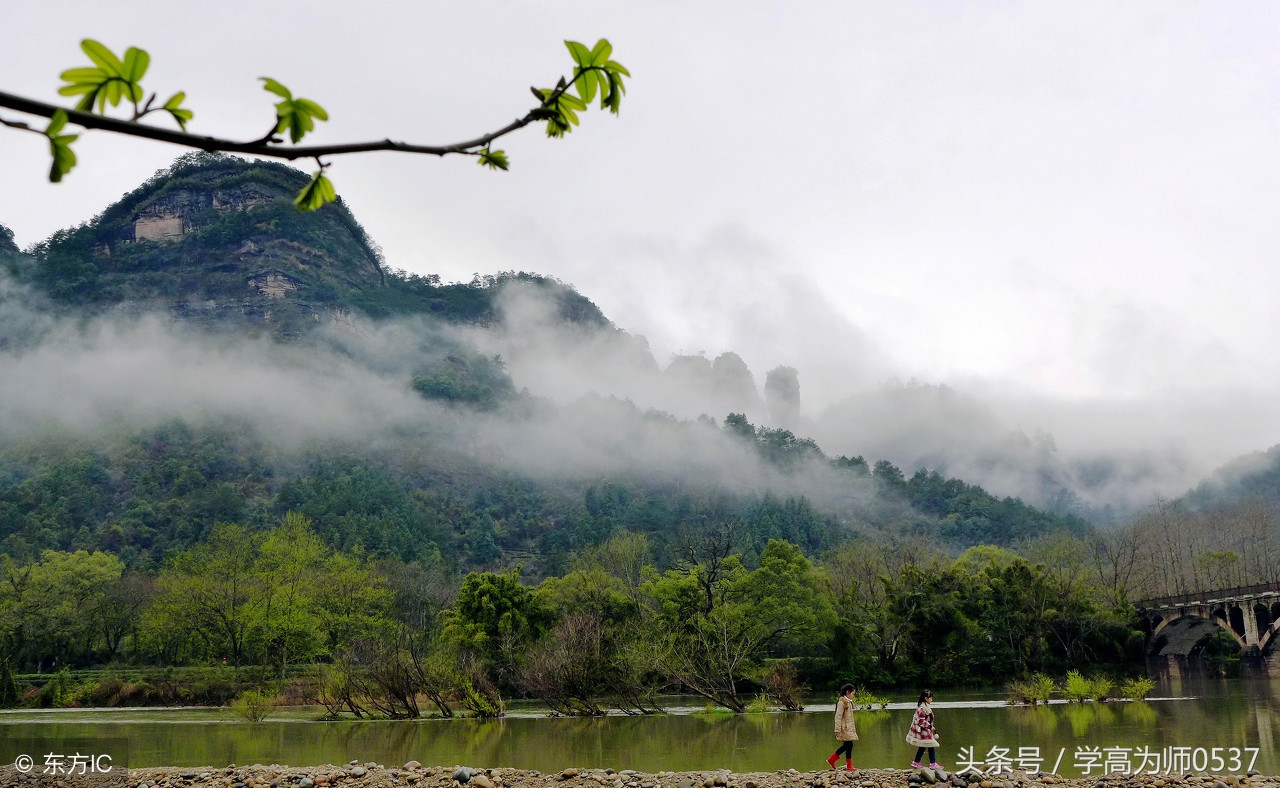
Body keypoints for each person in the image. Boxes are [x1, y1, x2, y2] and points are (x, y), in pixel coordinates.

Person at [826, 684, 859, 772]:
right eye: (853, 693)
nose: (853, 695)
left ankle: (834, 760)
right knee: (849, 744)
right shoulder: (842, 702)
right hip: (844, 728)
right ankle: (846, 764)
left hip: (848, 727)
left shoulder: (849, 702)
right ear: (848, 692)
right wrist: (837, 730)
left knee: (848, 745)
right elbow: (838, 716)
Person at [906, 689, 941, 769]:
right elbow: (921, 722)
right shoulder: (922, 708)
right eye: (930, 698)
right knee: (930, 745)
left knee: (923, 746)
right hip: (923, 731)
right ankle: (933, 763)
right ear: (926, 698)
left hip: (925, 730)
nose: (931, 699)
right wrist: (930, 727)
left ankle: (916, 762)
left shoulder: (924, 707)